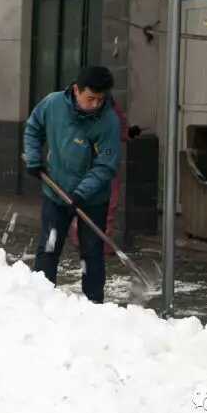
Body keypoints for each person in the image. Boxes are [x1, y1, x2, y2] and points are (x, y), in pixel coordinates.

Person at [24, 66, 121, 303]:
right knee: (50, 245)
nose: (96, 104)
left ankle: (94, 304)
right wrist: (34, 159)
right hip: (56, 191)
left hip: (92, 199)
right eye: (91, 98)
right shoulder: (53, 104)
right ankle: (41, 299)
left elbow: (105, 166)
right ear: (76, 90)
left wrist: (80, 193)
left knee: (91, 253)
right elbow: (33, 128)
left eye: (101, 99)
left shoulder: (109, 121)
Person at [67, 98, 141, 254]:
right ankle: (84, 240)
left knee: (107, 205)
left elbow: (121, 130)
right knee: (85, 201)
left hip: (103, 163)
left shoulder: (111, 109)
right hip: (88, 163)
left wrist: (129, 132)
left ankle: (98, 243)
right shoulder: (78, 108)